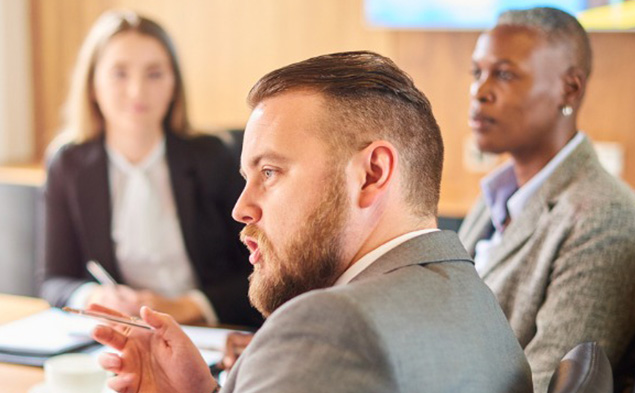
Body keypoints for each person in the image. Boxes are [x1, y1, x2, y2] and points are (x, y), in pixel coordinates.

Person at [90, 51, 533, 393]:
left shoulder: (327, 327)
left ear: (372, 174)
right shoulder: (473, 297)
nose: (241, 208)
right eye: (247, 178)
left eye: (270, 172)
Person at [458, 7, 635, 393]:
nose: (480, 91)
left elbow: (547, 385)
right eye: (477, 73)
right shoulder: (500, 193)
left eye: (505, 74)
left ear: (570, 89)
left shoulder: (604, 220)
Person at [37, 10, 262, 328]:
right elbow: (55, 280)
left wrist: (190, 306)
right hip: (126, 331)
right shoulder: (69, 164)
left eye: (154, 74)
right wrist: (93, 297)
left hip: (208, 331)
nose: (137, 91)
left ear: (174, 85)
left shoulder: (214, 156)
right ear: (92, 85)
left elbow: (263, 271)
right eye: (119, 73)